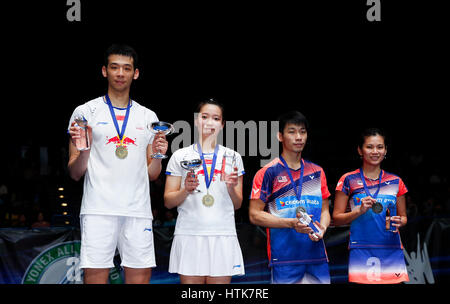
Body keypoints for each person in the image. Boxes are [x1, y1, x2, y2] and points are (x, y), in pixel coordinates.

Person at [67, 44, 168, 284]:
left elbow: (153, 174)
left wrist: (156, 155)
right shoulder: (85, 112)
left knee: (139, 277)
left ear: (135, 73)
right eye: (114, 68)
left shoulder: (148, 117)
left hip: (137, 209)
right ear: (105, 71)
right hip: (97, 209)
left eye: (126, 68)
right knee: (95, 276)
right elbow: (74, 172)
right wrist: (84, 150)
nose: (120, 73)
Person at [164, 98, 245, 284]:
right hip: (189, 234)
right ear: (195, 120)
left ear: (222, 124)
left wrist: (231, 188)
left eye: (216, 118)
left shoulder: (233, 157)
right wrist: (186, 190)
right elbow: (168, 201)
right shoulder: (180, 156)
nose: (210, 122)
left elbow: (238, 204)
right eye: (205, 117)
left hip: (222, 235)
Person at [249, 111, 331, 284]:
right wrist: (290, 223)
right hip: (284, 259)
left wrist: (322, 228)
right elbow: (254, 215)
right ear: (280, 136)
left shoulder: (318, 172)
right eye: (292, 132)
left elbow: (325, 210)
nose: (298, 137)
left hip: (317, 257)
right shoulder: (267, 173)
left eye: (302, 131)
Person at [332, 128, 409, 284]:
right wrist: (359, 211)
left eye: (380, 147)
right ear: (360, 150)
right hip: (361, 249)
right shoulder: (348, 180)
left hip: (391, 249)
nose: (375, 151)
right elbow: (337, 219)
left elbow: (404, 217)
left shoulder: (396, 181)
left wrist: (401, 221)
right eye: (369, 147)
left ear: (386, 150)